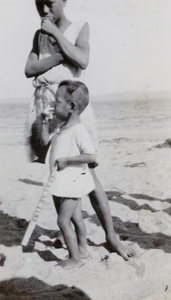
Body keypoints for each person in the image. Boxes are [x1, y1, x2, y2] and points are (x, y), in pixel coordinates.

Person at [25, 0, 133, 260]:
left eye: (50, 4)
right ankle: (78, 242)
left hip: (72, 108)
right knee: (57, 170)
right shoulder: (39, 35)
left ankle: (111, 237)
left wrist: (57, 36)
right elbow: (30, 69)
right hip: (46, 106)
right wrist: (62, 53)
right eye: (39, 5)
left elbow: (82, 60)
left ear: (63, 1)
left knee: (89, 175)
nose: (44, 10)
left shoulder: (79, 27)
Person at [44, 80, 96, 269]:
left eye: (57, 101)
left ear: (72, 106)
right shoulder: (61, 127)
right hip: (61, 181)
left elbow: (91, 155)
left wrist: (67, 160)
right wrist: (45, 124)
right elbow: (45, 143)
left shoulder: (79, 130)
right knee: (76, 218)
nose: (52, 105)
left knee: (62, 220)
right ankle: (82, 249)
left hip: (72, 181)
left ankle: (75, 258)